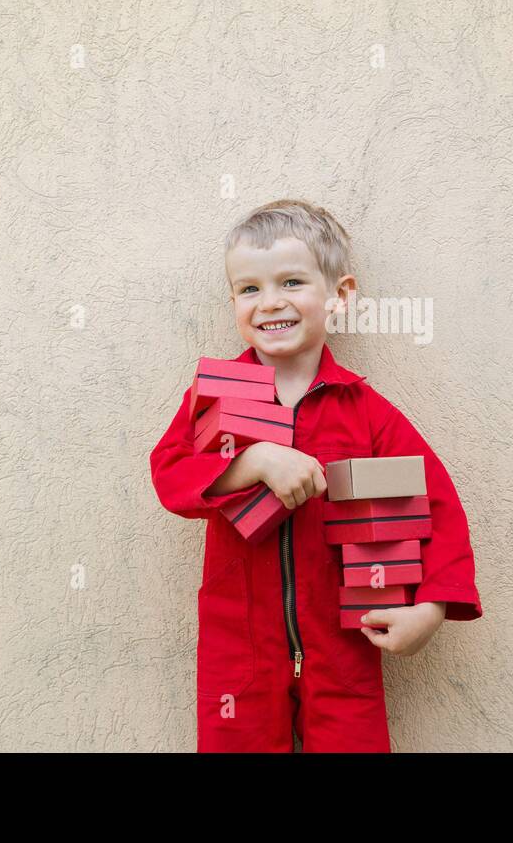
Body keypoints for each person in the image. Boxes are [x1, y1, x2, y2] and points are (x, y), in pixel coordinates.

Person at [150, 198, 482, 751]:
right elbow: (170, 473)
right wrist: (249, 462)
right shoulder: (216, 398)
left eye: (292, 282)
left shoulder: (364, 410)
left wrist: (432, 605)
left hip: (342, 645)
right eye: (248, 289)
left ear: (339, 296)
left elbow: (436, 502)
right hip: (240, 646)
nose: (269, 303)